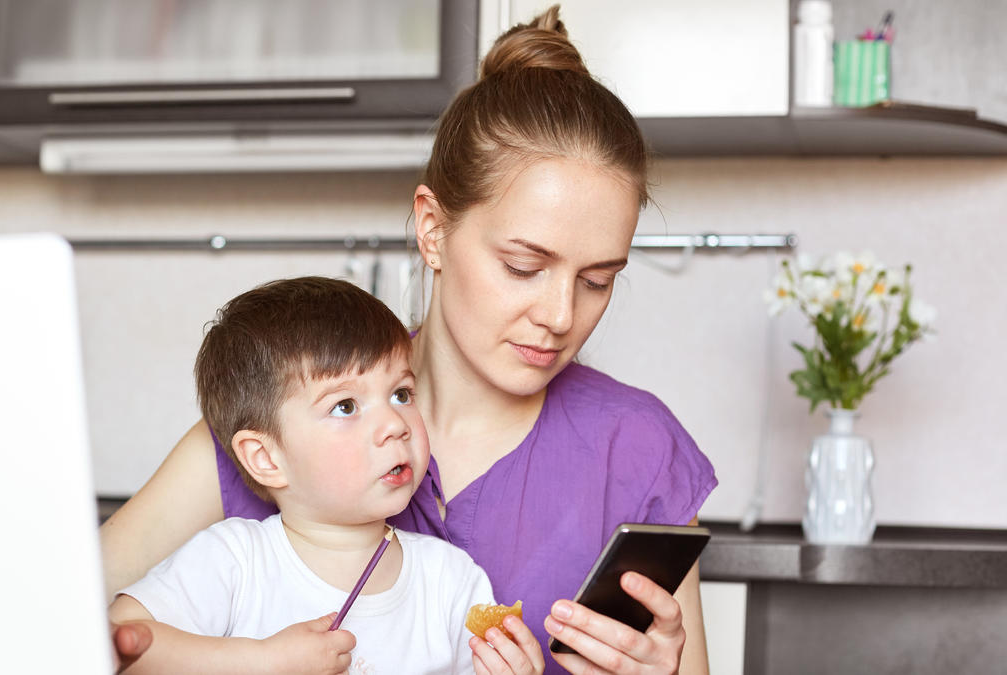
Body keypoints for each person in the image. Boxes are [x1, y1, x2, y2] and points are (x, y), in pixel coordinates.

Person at [102, 6, 717, 674]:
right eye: (523, 267)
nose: (561, 315)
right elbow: (49, 624)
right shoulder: (275, 411)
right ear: (433, 229)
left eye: (598, 280)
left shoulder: (638, 448)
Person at [109, 277, 546, 675]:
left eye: (401, 393)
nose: (395, 423)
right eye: (346, 406)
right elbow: (119, 645)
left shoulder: (451, 582)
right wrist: (261, 662)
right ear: (265, 457)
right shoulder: (234, 562)